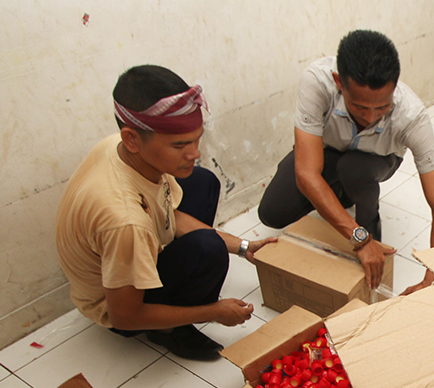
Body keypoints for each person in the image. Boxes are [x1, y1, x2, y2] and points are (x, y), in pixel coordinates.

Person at [56, 65, 275, 361]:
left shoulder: (121, 149)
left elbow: (171, 214)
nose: (194, 152)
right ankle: (170, 330)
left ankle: (175, 298)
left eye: (197, 138)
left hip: (133, 249)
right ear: (132, 138)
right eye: (180, 145)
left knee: (202, 181)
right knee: (208, 252)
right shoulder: (125, 222)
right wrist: (214, 312)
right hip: (118, 306)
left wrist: (244, 247)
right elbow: (124, 316)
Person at [258, 29, 434, 293]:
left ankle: (368, 219)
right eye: (360, 107)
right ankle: (343, 197)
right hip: (327, 151)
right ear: (339, 82)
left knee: (353, 169)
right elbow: (306, 174)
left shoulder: (412, 116)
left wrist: (433, 277)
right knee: (272, 212)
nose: (370, 117)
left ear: (395, 88)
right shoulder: (317, 82)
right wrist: (359, 239)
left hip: (376, 160)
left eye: (382, 108)